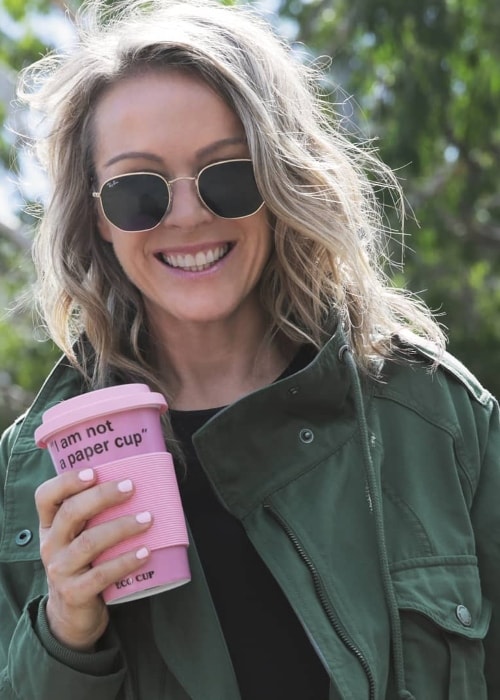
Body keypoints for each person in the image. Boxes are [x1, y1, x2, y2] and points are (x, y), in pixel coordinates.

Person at [0, 0, 498, 697]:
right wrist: (66, 632)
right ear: (97, 217)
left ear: (279, 178)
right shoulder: (32, 477)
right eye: (138, 190)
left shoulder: (433, 419)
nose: (186, 215)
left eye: (227, 174)